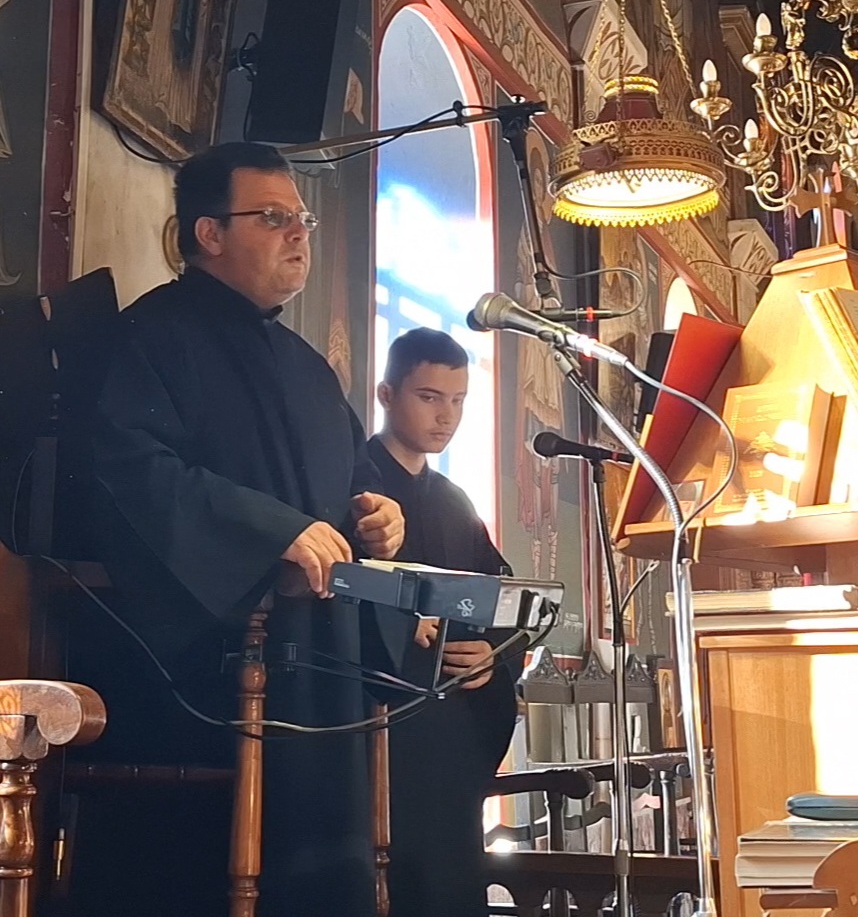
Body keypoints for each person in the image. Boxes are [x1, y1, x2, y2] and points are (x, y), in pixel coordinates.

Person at [71, 141, 404, 917]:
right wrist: (270, 534)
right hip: (203, 680)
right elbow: (130, 471)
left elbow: (359, 480)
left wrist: (380, 516)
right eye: (274, 217)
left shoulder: (307, 365)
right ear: (209, 233)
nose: (299, 235)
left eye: (303, 220)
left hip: (321, 667)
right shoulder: (149, 336)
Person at [369, 327, 522, 917]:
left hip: (454, 733)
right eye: (429, 397)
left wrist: (491, 658)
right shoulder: (354, 481)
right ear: (387, 394)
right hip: (381, 726)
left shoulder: (455, 501)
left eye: (458, 400)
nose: (446, 416)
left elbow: (504, 601)